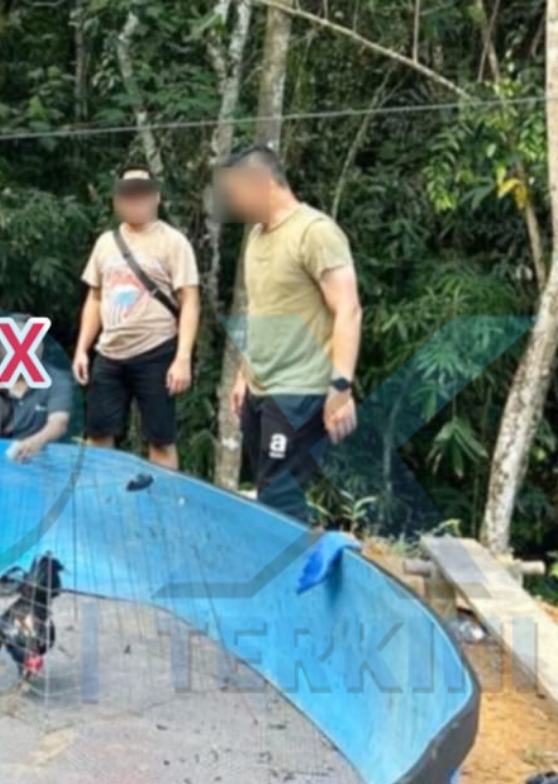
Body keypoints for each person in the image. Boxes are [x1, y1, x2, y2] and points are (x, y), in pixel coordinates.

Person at [219, 146, 362, 521]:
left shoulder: (315, 233)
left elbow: (348, 309)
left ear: (261, 184)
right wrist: (243, 374)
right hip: (260, 388)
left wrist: (340, 387)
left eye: (236, 193)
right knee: (268, 489)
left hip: (299, 389)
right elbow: (260, 308)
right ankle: (277, 555)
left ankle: (291, 560)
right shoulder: (256, 236)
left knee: (281, 498)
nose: (232, 203)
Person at [71, 166, 200, 470]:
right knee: (98, 433)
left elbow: (190, 301)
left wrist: (182, 357)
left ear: (155, 197)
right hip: (110, 352)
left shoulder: (172, 241)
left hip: (156, 349)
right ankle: (102, 494)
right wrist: (82, 349)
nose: (135, 200)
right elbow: (95, 297)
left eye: (142, 193)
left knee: (160, 438)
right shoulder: (106, 242)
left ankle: (163, 497)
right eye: (127, 195)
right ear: (117, 200)